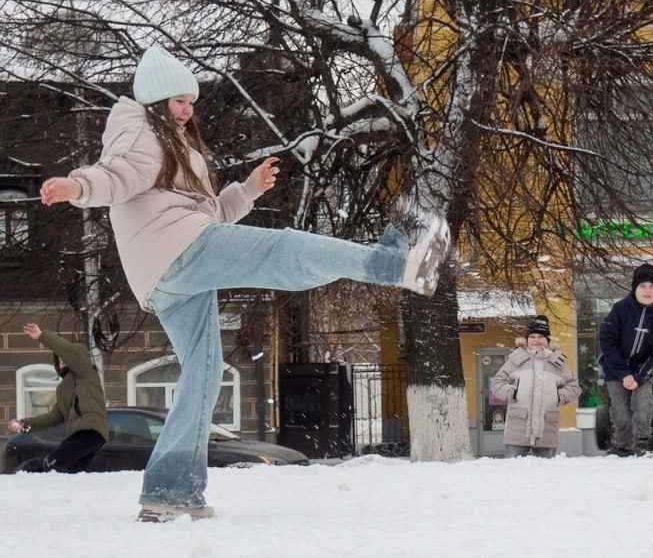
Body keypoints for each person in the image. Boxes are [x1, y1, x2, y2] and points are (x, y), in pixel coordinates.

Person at [37, 46, 452, 522]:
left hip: (167, 272)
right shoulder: (140, 132)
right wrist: (76, 187)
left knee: (203, 375)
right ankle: (394, 265)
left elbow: (208, 214)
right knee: (284, 251)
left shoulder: (176, 146)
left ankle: (170, 491)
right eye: (176, 100)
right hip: (179, 252)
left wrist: (247, 190)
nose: (187, 108)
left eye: (190, 100)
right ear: (154, 101)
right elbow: (114, 177)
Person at [6, 323, 109, 473]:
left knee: (50, 465)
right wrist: (24, 424)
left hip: (89, 432)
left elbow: (69, 352)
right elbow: (54, 417)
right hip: (83, 436)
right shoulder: (63, 387)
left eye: (64, 357)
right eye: (59, 358)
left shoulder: (86, 372)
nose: (61, 359)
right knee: (72, 474)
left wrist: (42, 336)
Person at [598, 263, 653, 456]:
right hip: (616, 369)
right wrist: (623, 373)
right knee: (621, 413)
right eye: (642, 286)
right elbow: (607, 341)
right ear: (635, 288)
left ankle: (643, 444)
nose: (647, 291)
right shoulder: (620, 309)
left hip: (643, 370)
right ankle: (622, 447)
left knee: (642, 406)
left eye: (651, 287)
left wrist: (639, 376)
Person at [490, 315, 582, 458]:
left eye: (541, 336)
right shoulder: (517, 359)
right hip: (518, 428)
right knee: (514, 474)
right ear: (527, 340)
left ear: (547, 340)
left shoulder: (557, 362)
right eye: (532, 336)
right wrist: (511, 393)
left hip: (547, 428)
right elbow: (497, 383)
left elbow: (574, 387)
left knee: (545, 476)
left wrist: (558, 396)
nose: (536, 340)